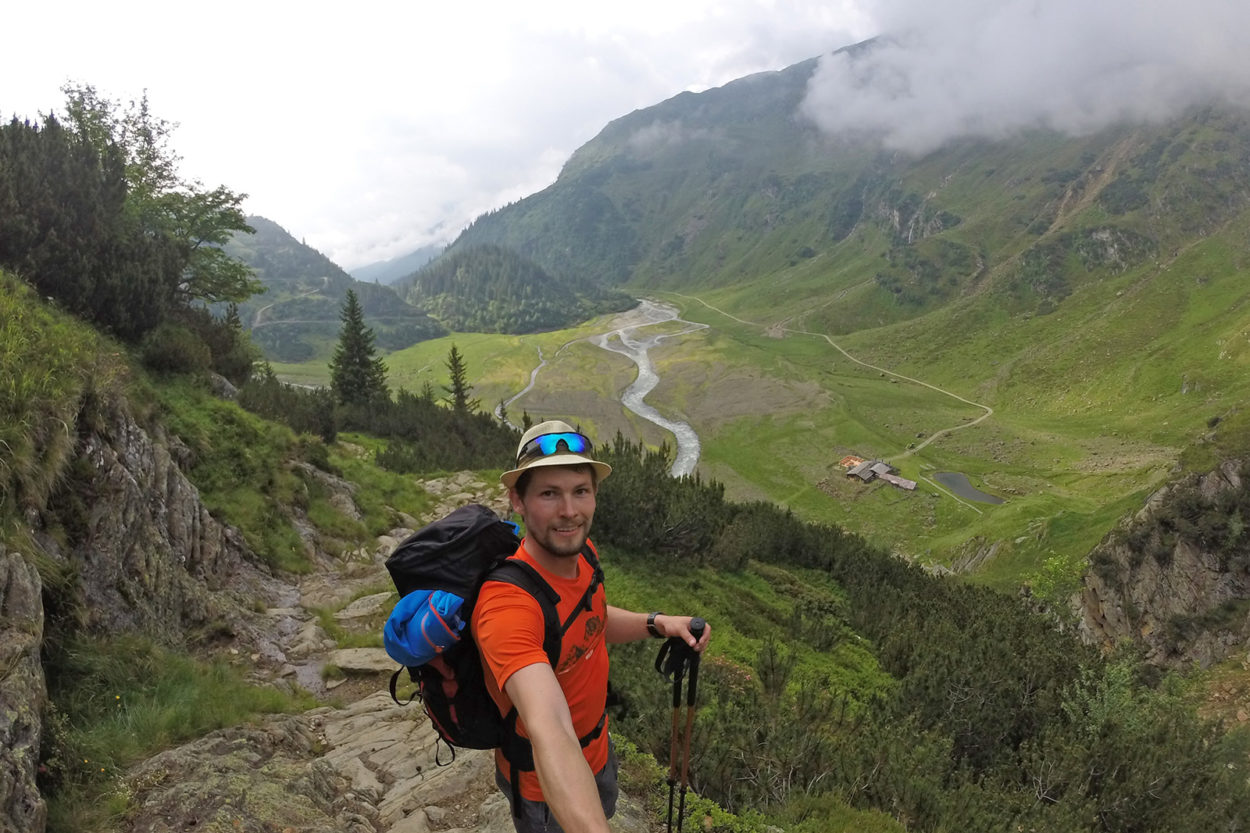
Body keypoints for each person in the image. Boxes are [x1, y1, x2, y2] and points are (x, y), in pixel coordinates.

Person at [472, 419, 710, 833]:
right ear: (517, 500)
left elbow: (590, 621)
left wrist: (656, 623)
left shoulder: (583, 555)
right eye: (549, 493)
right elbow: (550, 728)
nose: (569, 511)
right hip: (546, 789)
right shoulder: (506, 607)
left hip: (599, 748)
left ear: (594, 496)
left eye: (580, 491)